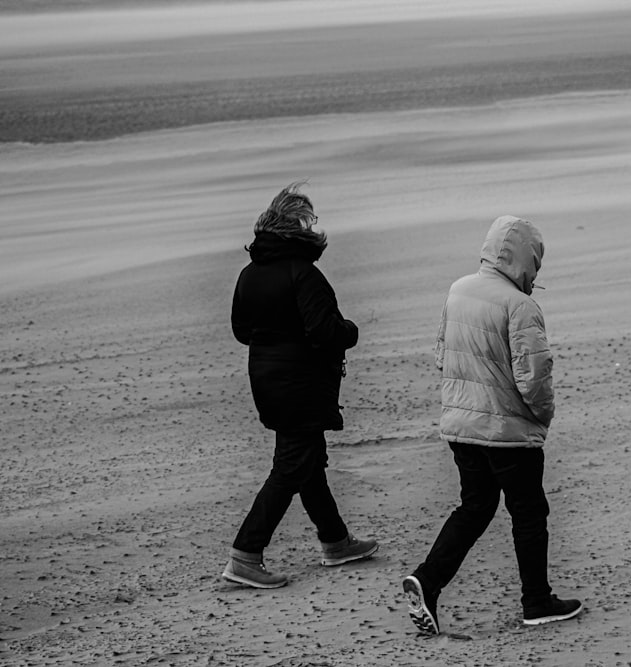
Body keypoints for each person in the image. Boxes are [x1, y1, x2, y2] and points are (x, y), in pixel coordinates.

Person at [403, 215, 583, 634]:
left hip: (462, 426)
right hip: (508, 433)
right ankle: (537, 601)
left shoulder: (458, 289)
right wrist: (542, 418)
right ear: (527, 260)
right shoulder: (520, 305)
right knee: (529, 513)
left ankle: (427, 580)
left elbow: (441, 355)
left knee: (475, 506)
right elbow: (534, 377)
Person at [222, 182, 378, 589]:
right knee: (291, 468)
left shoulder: (248, 274)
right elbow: (324, 332)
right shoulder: (304, 274)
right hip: (302, 384)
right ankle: (245, 554)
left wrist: (276, 339)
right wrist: (350, 330)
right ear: (299, 233)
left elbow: (242, 331)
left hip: (266, 379)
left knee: (308, 464)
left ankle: (336, 541)